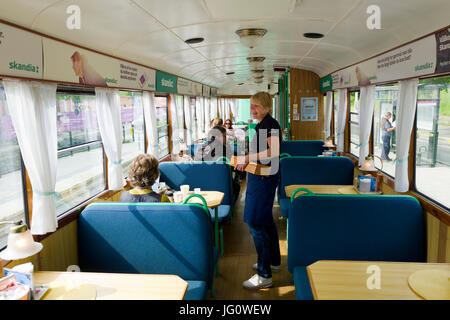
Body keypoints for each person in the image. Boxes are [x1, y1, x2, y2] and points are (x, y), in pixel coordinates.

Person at [235, 91, 281, 290]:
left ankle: (264, 275)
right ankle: (273, 261)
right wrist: (247, 158)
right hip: (261, 176)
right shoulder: (263, 124)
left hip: (264, 179)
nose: (252, 109)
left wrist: (247, 158)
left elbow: (275, 151)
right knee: (266, 220)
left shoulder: (270, 124)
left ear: (267, 108)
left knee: (255, 222)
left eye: (257, 106)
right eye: (251, 105)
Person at [195, 126, 240, 204]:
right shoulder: (224, 148)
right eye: (224, 136)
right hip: (220, 183)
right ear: (217, 137)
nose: (226, 138)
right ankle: (229, 207)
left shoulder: (200, 148)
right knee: (237, 187)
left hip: (201, 183)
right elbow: (231, 166)